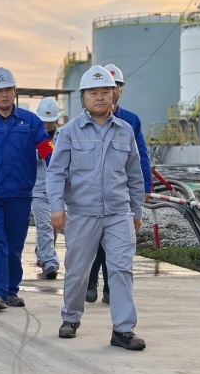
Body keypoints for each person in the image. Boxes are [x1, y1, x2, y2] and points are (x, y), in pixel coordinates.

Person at [47, 65, 146, 351]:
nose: (100, 97)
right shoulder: (70, 132)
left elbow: (134, 174)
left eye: (105, 92)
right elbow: (56, 172)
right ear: (84, 97)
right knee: (77, 270)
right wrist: (57, 207)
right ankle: (70, 318)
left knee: (121, 269)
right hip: (82, 213)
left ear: (114, 95)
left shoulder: (125, 131)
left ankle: (123, 330)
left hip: (118, 213)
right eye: (93, 92)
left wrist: (137, 211)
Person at [0, 67, 54, 311]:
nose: (4, 95)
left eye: (8, 90)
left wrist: (57, 166)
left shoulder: (30, 121)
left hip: (20, 193)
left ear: (15, 91)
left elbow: (45, 146)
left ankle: (11, 290)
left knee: (14, 245)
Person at [85, 63, 152, 304]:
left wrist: (145, 187)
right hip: (92, 193)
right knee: (94, 243)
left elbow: (140, 156)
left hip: (119, 191)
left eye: (115, 87)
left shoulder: (130, 121)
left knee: (116, 245)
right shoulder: (84, 121)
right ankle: (90, 282)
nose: (109, 93)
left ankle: (110, 289)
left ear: (118, 91)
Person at [31, 98, 61, 280]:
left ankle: (42, 252)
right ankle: (50, 262)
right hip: (39, 188)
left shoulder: (63, 136)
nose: (47, 124)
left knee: (55, 226)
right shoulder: (32, 136)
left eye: (51, 120)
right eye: (44, 121)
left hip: (58, 190)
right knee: (45, 226)